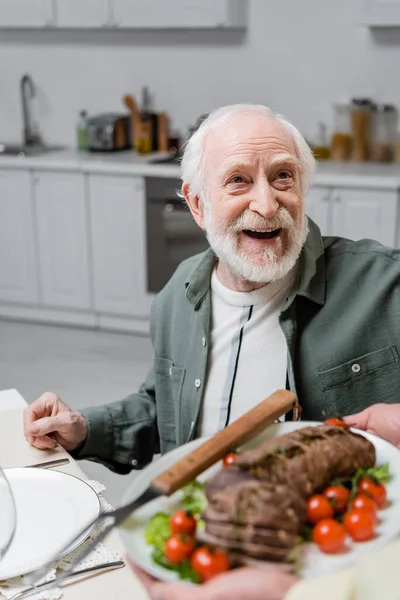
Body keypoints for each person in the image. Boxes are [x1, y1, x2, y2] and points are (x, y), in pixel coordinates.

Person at [23, 103, 400, 600]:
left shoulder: (383, 281)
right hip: (210, 558)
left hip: (343, 570)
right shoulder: (177, 297)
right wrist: (87, 428)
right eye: (238, 181)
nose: (266, 205)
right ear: (196, 204)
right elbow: (164, 410)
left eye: (283, 177)